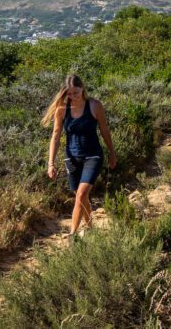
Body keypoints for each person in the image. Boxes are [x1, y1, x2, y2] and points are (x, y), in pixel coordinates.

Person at [42, 74, 117, 236]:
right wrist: (51, 163)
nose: (72, 96)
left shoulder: (95, 105)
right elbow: (55, 136)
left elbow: (105, 130)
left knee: (82, 194)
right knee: (80, 197)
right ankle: (91, 229)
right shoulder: (62, 110)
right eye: (69, 93)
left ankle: (73, 235)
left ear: (82, 89)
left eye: (75, 92)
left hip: (93, 156)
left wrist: (112, 152)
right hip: (72, 158)